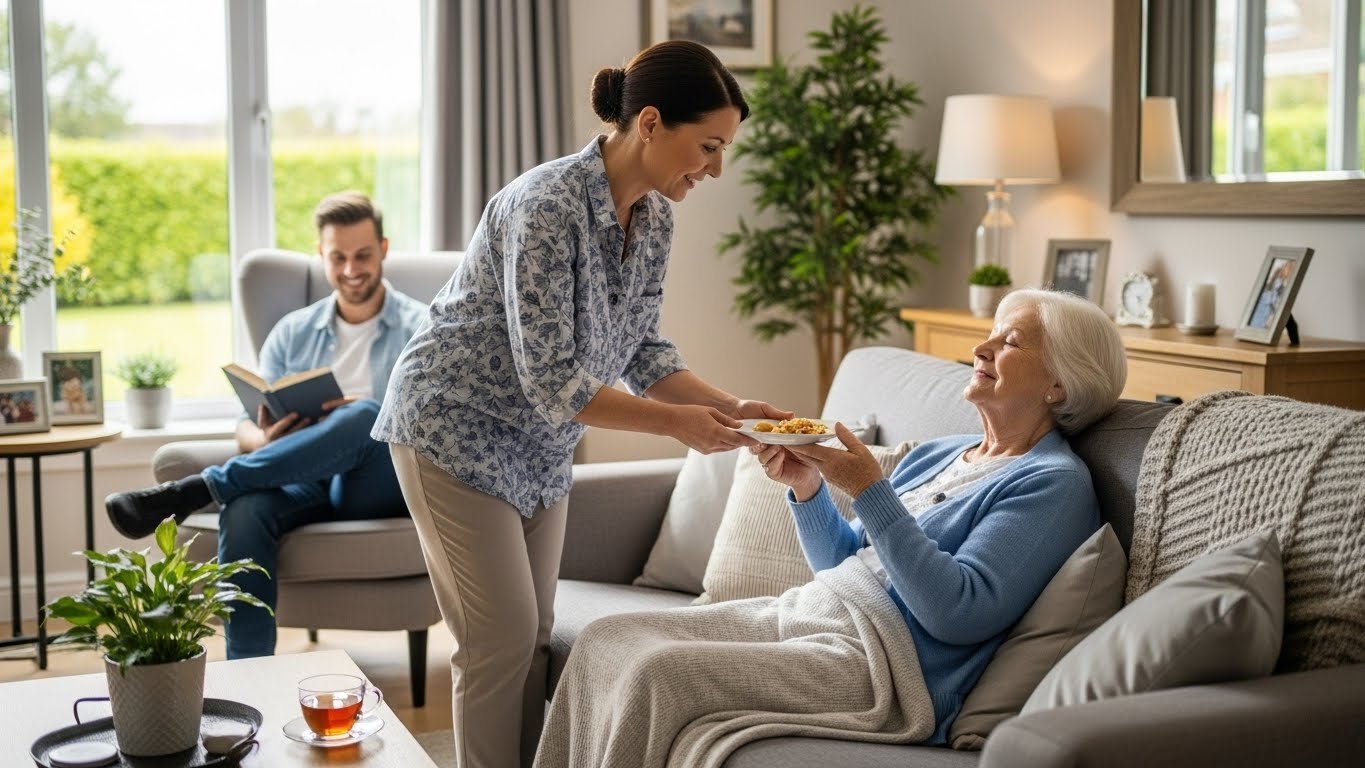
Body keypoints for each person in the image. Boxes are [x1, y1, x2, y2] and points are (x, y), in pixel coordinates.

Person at [371, 40, 787, 768]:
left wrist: (733, 409)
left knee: (532, 636)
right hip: (451, 427)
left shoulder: (654, 219)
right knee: (496, 639)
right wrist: (679, 428)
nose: (716, 168)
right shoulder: (545, 204)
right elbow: (555, 381)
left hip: (538, 444)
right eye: (708, 146)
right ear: (650, 124)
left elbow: (641, 353)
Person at [533, 289, 1129, 767]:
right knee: (606, 640)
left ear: (1059, 382)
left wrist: (869, 489)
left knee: (659, 674)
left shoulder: (1052, 483)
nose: (982, 346)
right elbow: (843, 566)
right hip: (819, 613)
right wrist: (808, 488)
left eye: (1010, 341)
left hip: (888, 669)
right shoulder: (943, 453)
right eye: (991, 334)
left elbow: (959, 612)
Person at [103, 191, 429, 659]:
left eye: (363, 255)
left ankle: (195, 490)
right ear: (321, 255)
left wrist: (361, 415)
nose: (351, 269)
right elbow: (247, 422)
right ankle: (248, 672)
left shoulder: (421, 327)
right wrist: (263, 438)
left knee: (362, 414)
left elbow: (431, 422)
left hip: (381, 480)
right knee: (244, 508)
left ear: (383, 248)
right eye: (338, 257)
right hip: (303, 477)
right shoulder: (292, 332)